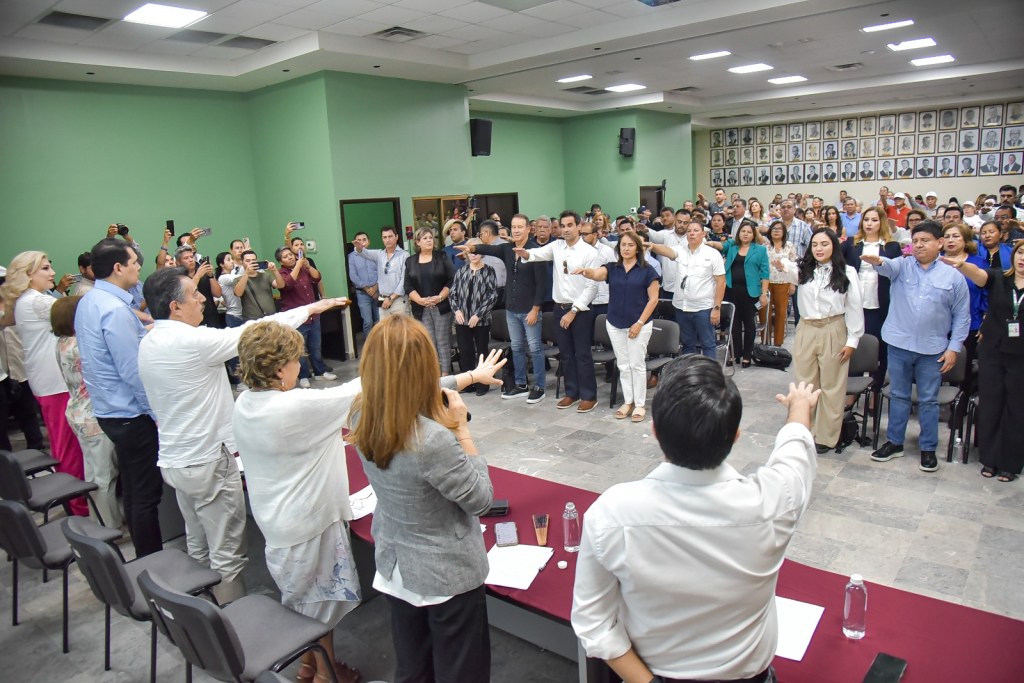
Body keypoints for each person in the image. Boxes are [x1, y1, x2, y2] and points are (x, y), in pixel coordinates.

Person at [572, 355, 820, 683]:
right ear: (735, 437)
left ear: (655, 431)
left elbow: (593, 623)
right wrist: (799, 407)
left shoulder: (613, 513)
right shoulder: (773, 501)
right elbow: (795, 454)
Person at [138, 266, 350, 603]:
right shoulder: (191, 342)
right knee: (227, 556)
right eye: (194, 296)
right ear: (174, 307)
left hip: (176, 461)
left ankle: (196, 607)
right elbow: (254, 333)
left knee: (198, 543)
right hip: (206, 460)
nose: (202, 302)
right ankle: (230, 624)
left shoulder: (150, 341)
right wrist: (309, 309)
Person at [235, 316, 401, 683]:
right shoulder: (294, 407)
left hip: (279, 521)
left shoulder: (246, 402)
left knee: (309, 602)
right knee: (318, 607)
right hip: (307, 524)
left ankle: (313, 665)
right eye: (296, 359)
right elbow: (364, 388)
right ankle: (327, 675)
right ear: (280, 368)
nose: (301, 364)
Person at [348, 316, 505, 683]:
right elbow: (481, 499)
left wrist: (468, 376)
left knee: (413, 668)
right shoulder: (432, 440)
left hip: (396, 568)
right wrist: (461, 428)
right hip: (444, 578)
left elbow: (409, 384)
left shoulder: (362, 410)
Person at [75, 238, 163, 556]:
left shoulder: (91, 300)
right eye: (134, 264)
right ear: (118, 268)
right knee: (145, 494)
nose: (138, 268)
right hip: (129, 414)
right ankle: (152, 560)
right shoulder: (114, 310)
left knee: (132, 484)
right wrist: (156, 414)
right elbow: (132, 371)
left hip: (108, 410)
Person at [862, 221, 970, 473]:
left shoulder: (953, 276)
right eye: (916, 241)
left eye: (925, 240)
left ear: (940, 243)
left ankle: (928, 448)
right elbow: (887, 267)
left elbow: (962, 316)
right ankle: (895, 442)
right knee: (898, 395)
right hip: (899, 344)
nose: (919, 245)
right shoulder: (902, 265)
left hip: (932, 349)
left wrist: (954, 348)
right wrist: (877, 261)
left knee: (929, 400)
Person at [1, 252, 88, 516]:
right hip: (54, 383)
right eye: (45, 268)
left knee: (66, 444)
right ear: (27, 274)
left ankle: (75, 502)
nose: (52, 273)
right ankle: (77, 506)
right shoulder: (36, 301)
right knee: (67, 447)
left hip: (48, 381)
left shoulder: (27, 301)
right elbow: (78, 310)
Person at [940, 241, 1024, 482]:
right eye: (1020, 253)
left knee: (1016, 408)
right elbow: (980, 276)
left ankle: (1010, 462)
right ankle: (990, 458)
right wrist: (962, 265)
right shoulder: (1000, 278)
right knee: (991, 404)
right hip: (993, 351)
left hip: (1020, 356)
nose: (1022, 259)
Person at [775, 228, 864, 451]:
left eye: (824, 244)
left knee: (832, 385)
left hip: (833, 328)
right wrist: (781, 265)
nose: (819, 249)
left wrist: (852, 340)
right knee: (805, 383)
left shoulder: (847, 272)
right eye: (815, 244)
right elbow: (787, 269)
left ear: (833, 245)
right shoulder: (804, 270)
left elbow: (854, 307)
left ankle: (826, 436)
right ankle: (805, 430)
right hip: (806, 328)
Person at [514, 210, 601, 413]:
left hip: (580, 310)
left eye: (570, 225)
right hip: (559, 307)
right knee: (566, 354)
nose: (566, 229)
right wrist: (525, 254)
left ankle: (589, 396)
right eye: (563, 225)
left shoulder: (589, 252)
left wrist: (574, 311)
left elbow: (592, 287)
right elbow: (537, 254)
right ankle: (572, 392)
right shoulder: (557, 246)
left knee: (582, 354)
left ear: (579, 226)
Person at [48, 295, 123, 531]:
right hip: (94, 417)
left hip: (78, 412)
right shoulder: (81, 346)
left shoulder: (62, 343)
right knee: (103, 478)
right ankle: (109, 527)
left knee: (95, 473)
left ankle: (101, 520)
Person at [461, 214, 549, 402]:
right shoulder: (507, 249)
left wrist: (536, 309)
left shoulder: (536, 252)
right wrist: (472, 247)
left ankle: (540, 386)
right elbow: (489, 248)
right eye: (513, 227)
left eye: (520, 227)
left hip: (530, 308)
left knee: (535, 348)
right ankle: (521, 385)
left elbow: (542, 284)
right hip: (512, 307)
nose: (516, 230)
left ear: (528, 229)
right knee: (516, 347)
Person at [573, 232, 660, 422]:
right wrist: (586, 271)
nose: (626, 248)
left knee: (636, 365)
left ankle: (639, 404)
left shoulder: (648, 270)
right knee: (623, 364)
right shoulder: (613, 268)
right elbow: (597, 274)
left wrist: (638, 323)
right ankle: (628, 401)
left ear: (638, 247)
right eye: (623, 245)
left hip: (639, 324)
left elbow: (653, 300)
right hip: (615, 323)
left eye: (630, 245)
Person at [841, 207, 902, 397]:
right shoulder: (852, 244)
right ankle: (852, 393)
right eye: (866, 219)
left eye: (874, 220)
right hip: (854, 304)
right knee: (854, 346)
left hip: (880, 305)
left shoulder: (891, 246)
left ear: (881, 222)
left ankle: (876, 390)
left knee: (879, 349)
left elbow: (897, 274)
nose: (869, 223)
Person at [647, 221, 726, 359]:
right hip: (682, 307)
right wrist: (652, 246)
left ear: (703, 234)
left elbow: (721, 282)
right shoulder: (680, 250)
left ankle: (709, 378)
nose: (692, 233)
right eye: (689, 231)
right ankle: (691, 376)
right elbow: (668, 251)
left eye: (696, 230)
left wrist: (717, 308)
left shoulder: (713, 254)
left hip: (704, 308)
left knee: (707, 344)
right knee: (687, 344)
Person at [709, 221, 770, 367]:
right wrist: (708, 243)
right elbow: (720, 246)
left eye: (749, 232)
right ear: (738, 233)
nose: (746, 234)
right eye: (743, 231)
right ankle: (735, 353)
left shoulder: (760, 250)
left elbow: (765, 273)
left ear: (753, 234)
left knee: (749, 324)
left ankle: (747, 355)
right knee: (734, 325)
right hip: (731, 291)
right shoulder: (732, 245)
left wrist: (763, 293)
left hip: (751, 293)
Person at [277, 245, 337, 387]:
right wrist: (297, 266)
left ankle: (319, 372)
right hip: (297, 319)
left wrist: (308, 266)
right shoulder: (281, 273)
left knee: (315, 346)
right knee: (300, 349)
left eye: (290, 254)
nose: (290, 257)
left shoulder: (304, 268)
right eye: (285, 256)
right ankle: (303, 375)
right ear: (280, 262)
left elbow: (317, 277)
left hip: (313, 315)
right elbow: (288, 285)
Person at [449, 240, 499, 396]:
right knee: (465, 351)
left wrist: (478, 314)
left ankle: (482, 383)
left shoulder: (489, 271)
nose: (473, 255)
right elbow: (453, 294)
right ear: (466, 253)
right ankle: (467, 383)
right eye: (471, 252)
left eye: (476, 251)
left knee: (482, 351)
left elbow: (492, 295)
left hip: (482, 320)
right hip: (462, 319)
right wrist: (457, 311)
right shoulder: (461, 271)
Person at [404, 227, 456, 375]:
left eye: (430, 237)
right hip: (421, 307)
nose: (429, 240)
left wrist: (440, 297)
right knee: (428, 342)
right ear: (418, 242)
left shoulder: (442, 256)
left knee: (442, 341)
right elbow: (407, 285)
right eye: (425, 238)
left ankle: (445, 374)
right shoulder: (410, 261)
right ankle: (433, 373)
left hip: (441, 305)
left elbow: (452, 279)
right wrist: (420, 300)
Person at [354, 226, 409, 318]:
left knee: (400, 331)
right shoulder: (379, 254)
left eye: (390, 236)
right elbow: (364, 253)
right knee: (385, 331)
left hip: (398, 300)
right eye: (385, 237)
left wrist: (391, 298)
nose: (387, 240)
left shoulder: (404, 255)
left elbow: (404, 280)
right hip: (383, 299)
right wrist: (359, 248)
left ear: (396, 237)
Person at [764, 221, 796, 346]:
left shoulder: (789, 246)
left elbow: (794, 266)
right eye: (773, 229)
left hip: (783, 282)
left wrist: (792, 283)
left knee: (781, 313)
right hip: (766, 283)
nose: (776, 231)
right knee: (764, 314)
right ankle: (765, 343)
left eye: (779, 229)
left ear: (784, 232)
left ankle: (778, 344)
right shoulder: (765, 246)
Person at [235, 249, 284, 322]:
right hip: (251, 320)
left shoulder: (266, 276)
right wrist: (247, 273)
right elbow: (238, 293)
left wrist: (275, 270)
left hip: (271, 318)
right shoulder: (238, 279)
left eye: (254, 260)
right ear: (242, 263)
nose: (251, 262)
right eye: (248, 261)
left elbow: (280, 285)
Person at [347, 231, 380, 335]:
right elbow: (353, 276)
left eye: (364, 240)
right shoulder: (351, 257)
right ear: (355, 243)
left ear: (369, 242)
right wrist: (368, 290)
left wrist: (375, 288)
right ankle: (369, 347)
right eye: (359, 240)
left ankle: (380, 344)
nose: (361, 242)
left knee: (380, 320)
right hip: (362, 293)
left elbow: (382, 272)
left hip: (379, 291)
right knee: (368, 322)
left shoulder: (376, 255)